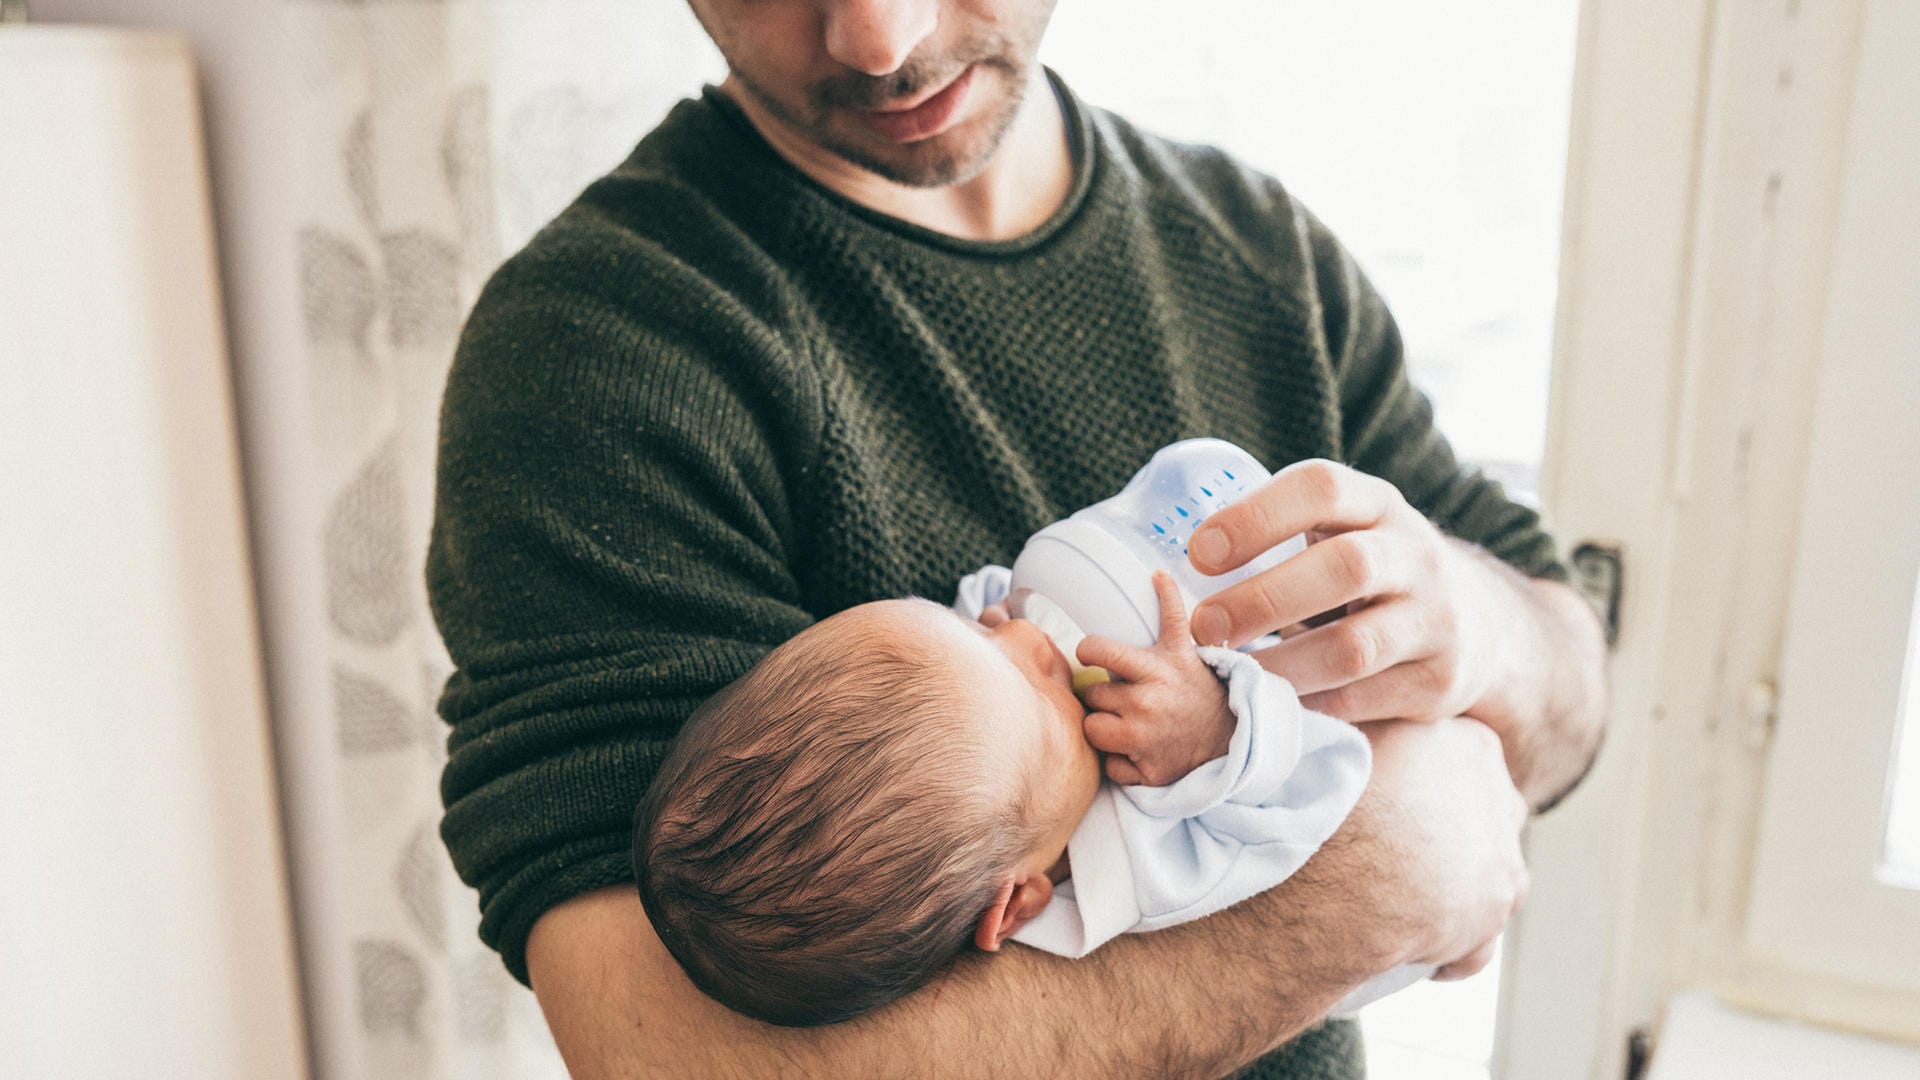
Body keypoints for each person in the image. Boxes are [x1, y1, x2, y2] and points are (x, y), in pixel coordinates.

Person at [425, 0, 1610, 1075]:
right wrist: (1383, 879)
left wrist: (1477, 626)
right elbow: (669, 1058)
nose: (879, 43)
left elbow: (1569, 688)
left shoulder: (1254, 249)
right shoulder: (604, 352)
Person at [633, 569, 1403, 1027]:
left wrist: (999, 618)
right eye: (1040, 694)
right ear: (1017, 904)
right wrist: (1215, 732)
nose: (1031, 641)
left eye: (963, 628)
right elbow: (1326, 782)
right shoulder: (1145, 875)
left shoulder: (994, 795)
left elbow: (985, 634)